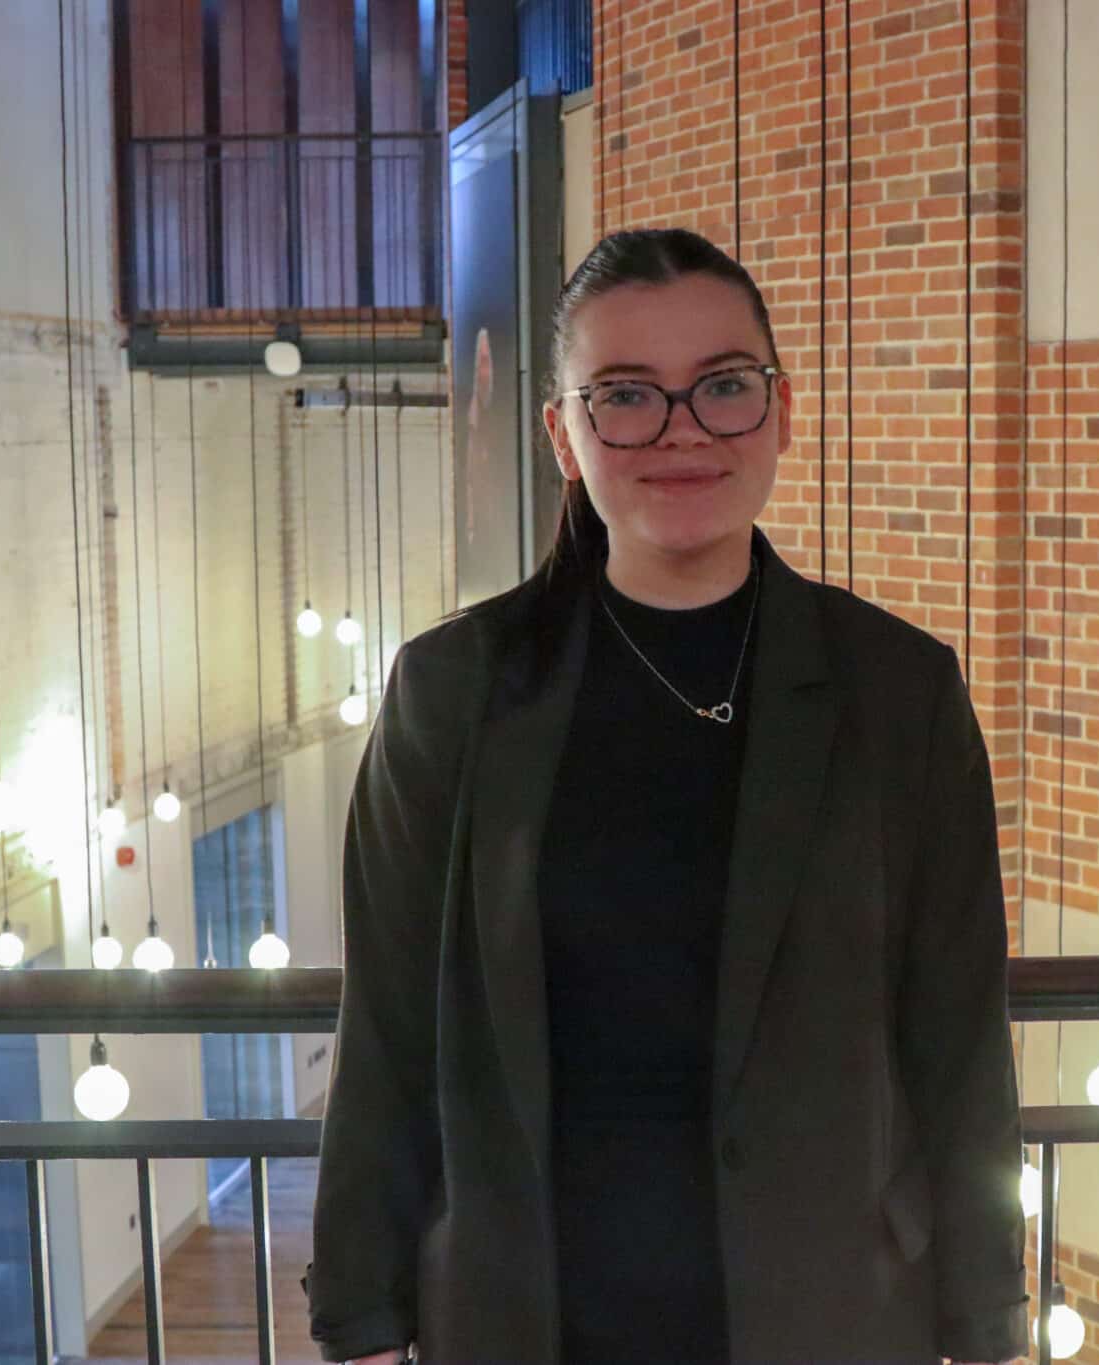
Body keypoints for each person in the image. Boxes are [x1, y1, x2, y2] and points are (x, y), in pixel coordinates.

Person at [305, 228, 1030, 1365]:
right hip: (530, 1316)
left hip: (829, 1312)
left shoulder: (896, 689)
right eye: (627, 395)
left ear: (779, 411)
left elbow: (958, 1036)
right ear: (564, 433)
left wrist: (988, 1325)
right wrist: (359, 1315)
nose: (682, 430)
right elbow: (389, 1022)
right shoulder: (453, 692)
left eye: (724, 387)